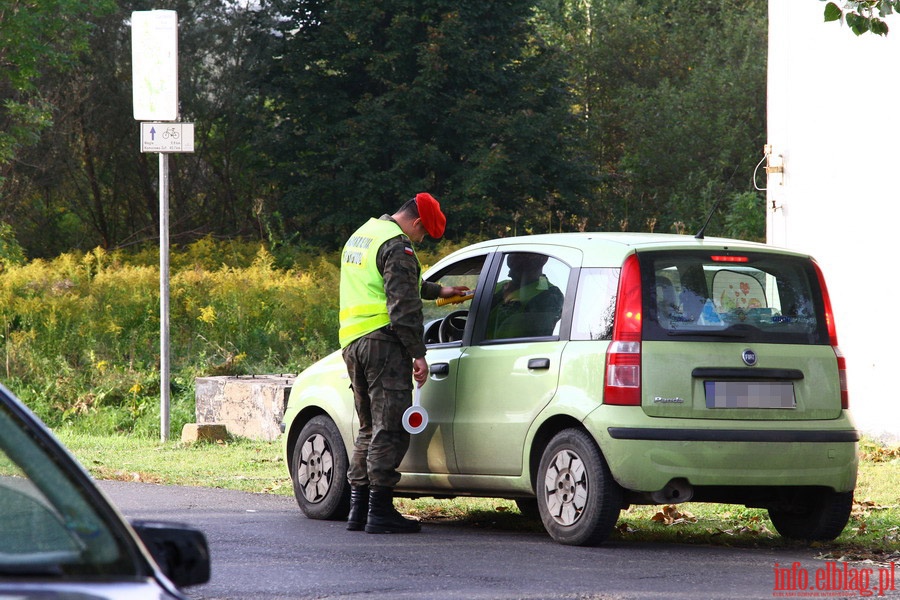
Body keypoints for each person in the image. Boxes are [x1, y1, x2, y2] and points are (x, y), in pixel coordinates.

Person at [339, 193, 469, 534]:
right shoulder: (398, 245)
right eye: (423, 232)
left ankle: (358, 510)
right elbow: (402, 305)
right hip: (383, 344)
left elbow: (400, 284)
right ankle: (379, 511)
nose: (422, 238)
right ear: (414, 221)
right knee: (392, 426)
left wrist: (442, 289)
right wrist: (418, 353)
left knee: (368, 427)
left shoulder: (364, 235)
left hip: (354, 341)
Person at [487, 253, 564, 339]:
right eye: (510, 268)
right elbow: (479, 309)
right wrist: (500, 294)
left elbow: (539, 332)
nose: (509, 274)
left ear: (534, 268)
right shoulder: (499, 285)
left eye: (516, 269)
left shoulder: (550, 295)